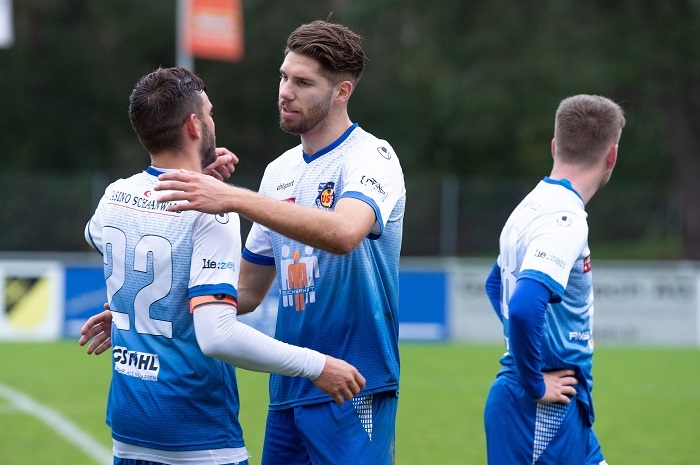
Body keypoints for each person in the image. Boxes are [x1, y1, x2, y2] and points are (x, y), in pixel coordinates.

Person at [80, 66, 365, 465]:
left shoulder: (115, 195)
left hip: (130, 429)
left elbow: (99, 237)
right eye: (210, 114)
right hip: (197, 433)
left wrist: (135, 311)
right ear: (194, 125)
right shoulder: (213, 213)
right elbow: (218, 336)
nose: (213, 121)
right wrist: (317, 366)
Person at [152, 20, 406, 465]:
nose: (285, 92)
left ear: (342, 92)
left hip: (354, 385)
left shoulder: (372, 156)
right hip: (292, 385)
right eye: (284, 76)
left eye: (303, 83)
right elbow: (246, 290)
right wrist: (148, 311)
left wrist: (234, 198)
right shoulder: (279, 172)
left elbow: (345, 233)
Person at [483, 94, 625, 464]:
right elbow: (524, 305)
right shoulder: (565, 219)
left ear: (554, 146)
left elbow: (495, 284)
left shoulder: (532, 204)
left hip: (560, 406)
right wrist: (534, 379)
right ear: (611, 155)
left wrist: (531, 349)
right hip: (539, 414)